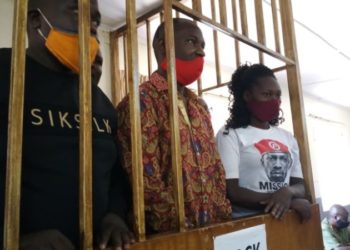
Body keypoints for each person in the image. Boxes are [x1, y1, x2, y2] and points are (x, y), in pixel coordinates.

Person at [0, 0, 134, 249]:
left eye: (96, 20)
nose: (92, 26)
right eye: (78, 13)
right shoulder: (6, 72)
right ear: (35, 21)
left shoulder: (100, 101)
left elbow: (115, 173)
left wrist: (114, 215)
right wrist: (12, 241)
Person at [116, 18, 232, 233]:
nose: (201, 52)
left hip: (214, 227)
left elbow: (215, 167)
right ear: (163, 46)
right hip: (170, 235)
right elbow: (145, 180)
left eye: (203, 45)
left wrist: (222, 213)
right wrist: (175, 222)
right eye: (191, 42)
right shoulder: (141, 101)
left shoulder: (199, 105)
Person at [216, 63, 311, 221]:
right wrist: (286, 202)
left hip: (287, 223)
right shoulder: (230, 134)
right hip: (248, 225)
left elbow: (300, 186)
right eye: (267, 94)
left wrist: (287, 193)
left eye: (277, 95)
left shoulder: (288, 138)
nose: (274, 100)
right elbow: (232, 191)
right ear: (247, 96)